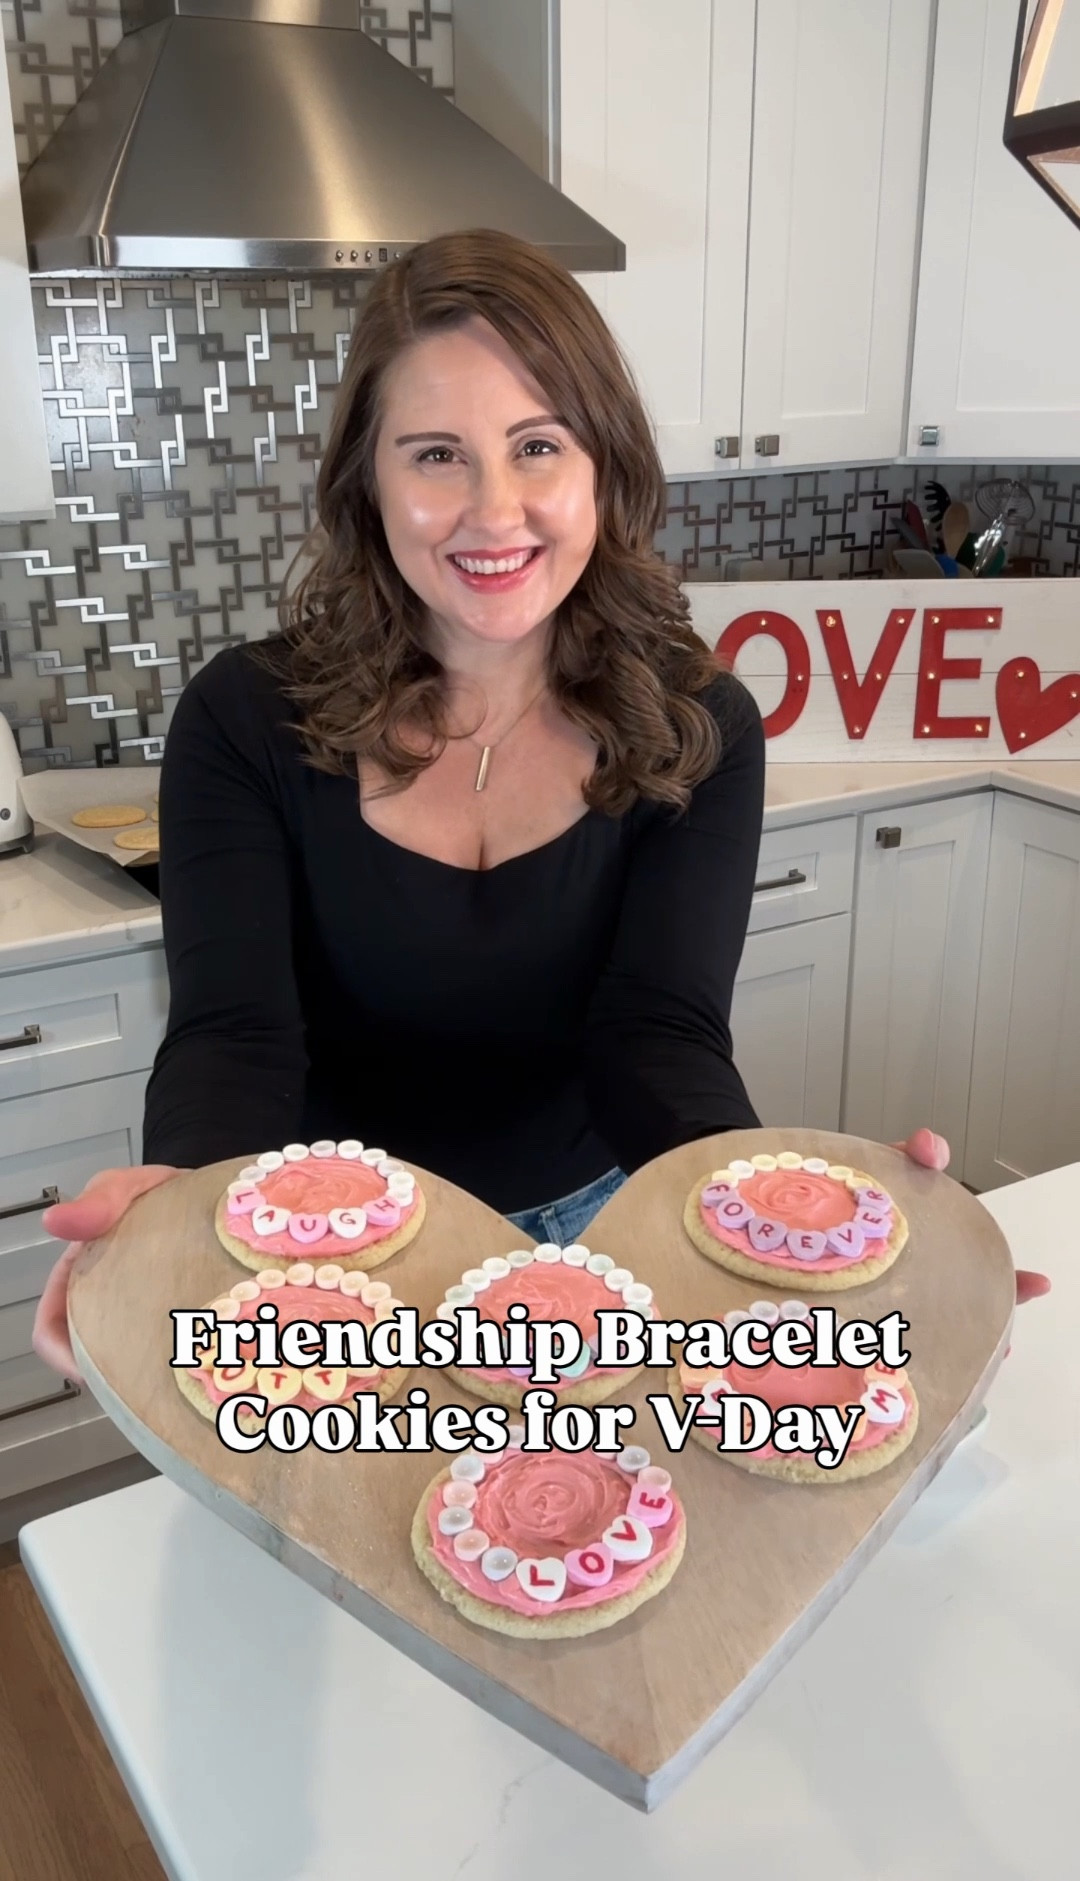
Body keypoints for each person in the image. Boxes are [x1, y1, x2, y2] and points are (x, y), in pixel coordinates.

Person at [33, 229, 1048, 1382]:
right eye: (435, 456)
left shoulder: (695, 727)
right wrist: (176, 1212)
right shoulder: (245, 720)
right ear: (367, 481)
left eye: (536, 445)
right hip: (322, 1259)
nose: (495, 510)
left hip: (598, 1242)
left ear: (600, 465)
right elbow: (236, 1037)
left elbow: (655, 1039)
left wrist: (788, 1231)